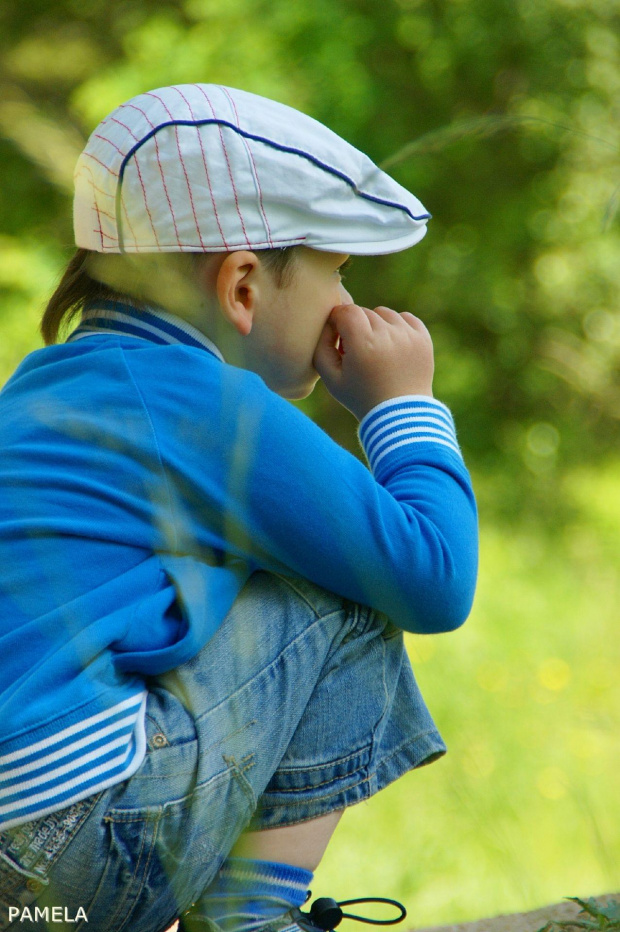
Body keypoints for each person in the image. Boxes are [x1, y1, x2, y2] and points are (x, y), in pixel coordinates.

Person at [0, 84, 478, 932]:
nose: (346, 303)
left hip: (26, 852)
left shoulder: (41, 387)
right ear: (244, 286)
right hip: (59, 848)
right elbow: (434, 574)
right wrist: (401, 406)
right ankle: (251, 920)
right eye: (337, 271)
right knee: (353, 587)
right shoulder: (204, 403)